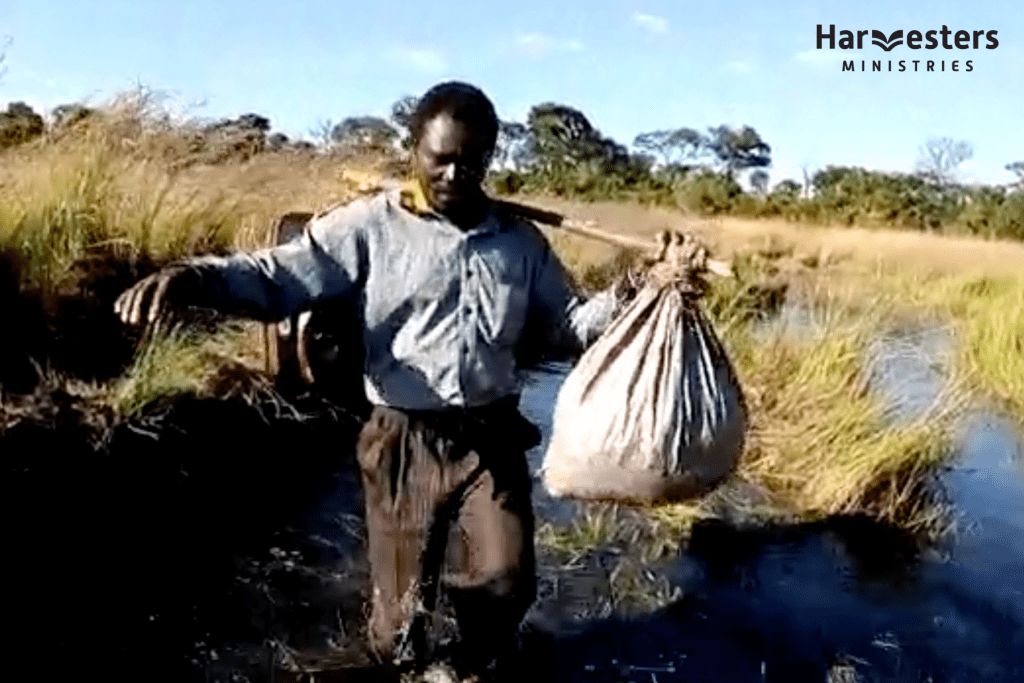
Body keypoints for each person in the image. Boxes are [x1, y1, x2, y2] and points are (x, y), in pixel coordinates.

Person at [114, 81, 679, 681]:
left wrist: (642, 288)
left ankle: (472, 662)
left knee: (506, 582)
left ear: (491, 158)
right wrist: (193, 278)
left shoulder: (520, 244)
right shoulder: (368, 228)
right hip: (401, 438)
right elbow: (277, 278)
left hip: (490, 438)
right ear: (414, 150)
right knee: (398, 621)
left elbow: (569, 325)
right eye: (441, 159)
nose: (455, 175)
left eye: (472, 162)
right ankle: (406, 665)